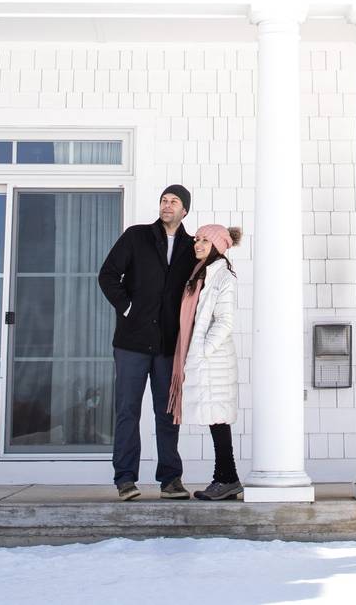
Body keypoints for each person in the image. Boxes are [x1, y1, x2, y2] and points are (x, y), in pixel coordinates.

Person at [97, 184, 197, 500]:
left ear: (185, 210)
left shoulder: (190, 246)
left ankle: (170, 480)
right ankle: (125, 479)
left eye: (174, 201)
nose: (167, 206)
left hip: (168, 345)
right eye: (163, 200)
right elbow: (108, 275)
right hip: (131, 343)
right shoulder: (136, 236)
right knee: (128, 410)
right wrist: (129, 308)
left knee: (167, 413)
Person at [170, 223, 244, 501]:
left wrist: (202, 350)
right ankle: (226, 478)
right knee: (216, 420)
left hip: (215, 361)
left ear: (218, 246)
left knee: (218, 420)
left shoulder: (223, 276)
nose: (198, 244)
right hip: (206, 359)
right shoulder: (201, 273)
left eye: (204, 241)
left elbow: (225, 321)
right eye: (197, 240)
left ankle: (226, 479)